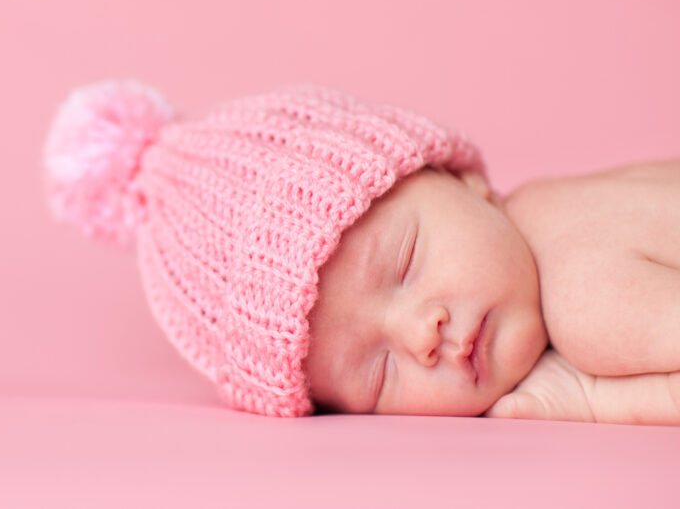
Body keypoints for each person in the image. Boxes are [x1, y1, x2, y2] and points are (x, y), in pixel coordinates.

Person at [42, 79, 680, 425]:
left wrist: (600, 401)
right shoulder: (561, 217)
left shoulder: (585, 297)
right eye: (379, 375)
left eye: (405, 262)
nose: (420, 336)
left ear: (458, 177)